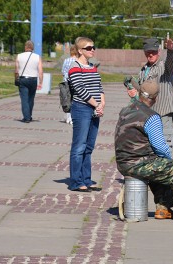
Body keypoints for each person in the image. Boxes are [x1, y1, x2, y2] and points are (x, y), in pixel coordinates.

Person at [115, 80, 173, 223]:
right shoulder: (151, 116)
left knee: (160, 167)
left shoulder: (125, 110)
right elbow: (160, 147)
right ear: (155, 98)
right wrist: (168, 161)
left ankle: (163, 209)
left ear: (139, 93)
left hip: (122, 163)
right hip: (138, 164)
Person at [127, 38, 173, 153]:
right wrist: (135, 95)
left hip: (163, 115)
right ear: (144, 52)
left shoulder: (164, 67)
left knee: (164, 149)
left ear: (159, 52)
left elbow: (172, 62)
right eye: (148, 52)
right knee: (151, 150)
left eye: (153, 51)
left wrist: (170, 50)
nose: (151, 54)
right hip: (148, 116)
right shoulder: (143, 70)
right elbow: (144, 94)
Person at [68, 37, 105, 192]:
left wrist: (102, 103)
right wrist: (96, 104)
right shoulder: (74, 68)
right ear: (80, 50)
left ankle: (87, 179)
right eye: (89, 48)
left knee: (89, 147)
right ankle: (76, 181)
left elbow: (99, 86)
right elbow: (80, 90)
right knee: (79, 147)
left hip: (95, 110)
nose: (92, 50)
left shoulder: (92, 67)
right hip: (82, 109)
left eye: (93, 47)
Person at [15, 40, 43, 123]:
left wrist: (16, 78)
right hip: (33, 80)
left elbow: (16, 70)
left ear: (25, 47)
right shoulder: (37, 57)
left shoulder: (19, 56)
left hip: (23, 79)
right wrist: (41, 82)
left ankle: (26, 117)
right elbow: (40, 71)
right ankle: (29, 115)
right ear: (32, 48)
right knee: (31, 99)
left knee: (24, 99)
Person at [61, 44, 78, 125]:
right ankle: (73, 118)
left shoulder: (66, 60)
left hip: (66, 82)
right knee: (74, 100)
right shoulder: (78, 61)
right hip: (75, 82)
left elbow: (63, 72)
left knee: (67, 100)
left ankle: (68, 118)